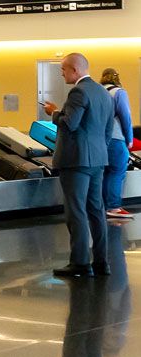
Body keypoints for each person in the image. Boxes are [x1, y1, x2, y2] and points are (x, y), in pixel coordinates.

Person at [43, 52, 111, 278]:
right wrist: (98, 151)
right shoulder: (103, 92)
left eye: (63, 70)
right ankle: (101, 263)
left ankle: (80, 263)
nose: (62, 74)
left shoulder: (78, 92)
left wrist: (54, 113)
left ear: (75, 70)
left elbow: (69, 124)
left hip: (76, 161)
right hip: (98, 160)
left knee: (76, 211)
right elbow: (108, 130)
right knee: (96, 210)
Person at [100, 68, 132, 220]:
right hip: (115, 137)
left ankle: (104, 207)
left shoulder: (97, 91)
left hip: (98, 139)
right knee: (117, 171)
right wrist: (129, 138)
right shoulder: (119, 92)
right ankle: (113, 206)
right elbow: (125, 116)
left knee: (105, 172)